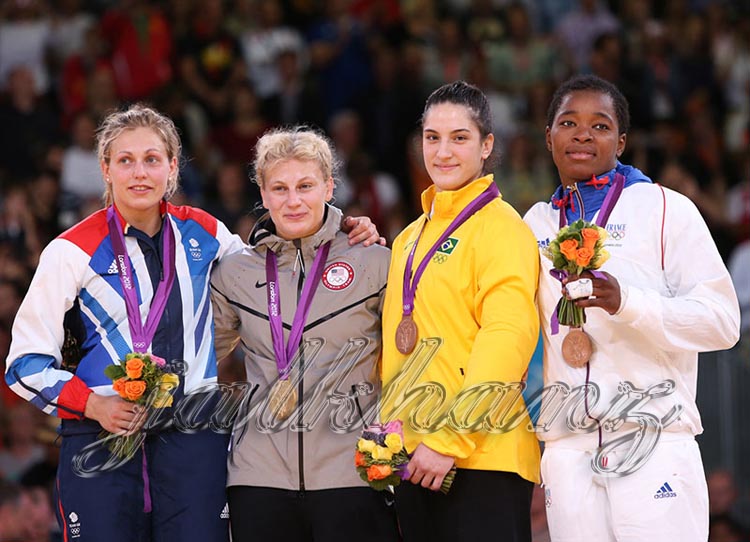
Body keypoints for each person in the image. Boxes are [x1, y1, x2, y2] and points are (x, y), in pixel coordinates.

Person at [4, 104, 381, 542]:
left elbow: (276, 257)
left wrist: (343, 230)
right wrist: (93, 405)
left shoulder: (206, 233)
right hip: (101, 438)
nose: (139, 173)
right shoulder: (70, 250)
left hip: (192, 443)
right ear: (105, 169)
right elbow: (25, 364)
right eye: (125, 160)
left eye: (152, 159)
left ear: (172, 168)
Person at [523, 74, 741, 541]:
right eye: (568, 122)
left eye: (600, 126)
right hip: (567, 449)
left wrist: (629, 303)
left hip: (653, 437)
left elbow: (723, 323)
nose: (583, 134)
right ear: (548, 137)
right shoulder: (535, 224)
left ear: (621, 141)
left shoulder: (665, 209)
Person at [210, 127, 396, 542]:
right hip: (258, 477)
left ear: (329, 186)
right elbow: (199, 354)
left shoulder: (376, 262)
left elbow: (410, 357)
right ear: (263, 193)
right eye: (279, 188)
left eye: (306, 186)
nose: (293, 200)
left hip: (352, 472)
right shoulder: (233, 272)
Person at [380, 80, 541, 542]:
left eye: (459, 138)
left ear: (487, 145)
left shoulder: (503, 229)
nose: (443, 152)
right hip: (415, 457)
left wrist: (450, 438)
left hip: (480, 457)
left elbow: (507, 337)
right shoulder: (409, 237)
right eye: (432, 137)